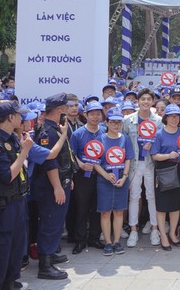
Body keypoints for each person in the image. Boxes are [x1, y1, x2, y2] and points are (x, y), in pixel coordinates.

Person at [0, 101, 33, 290]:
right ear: (10, 117)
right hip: (1, 205)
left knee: (16, 248)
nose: (21, 118)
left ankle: (10, 283)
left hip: (17, 200)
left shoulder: (12, 139)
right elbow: (8, 175)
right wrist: (25, 151)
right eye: (18, 115)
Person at [31, 93, 75, 280]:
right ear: (59, 110)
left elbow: (64, 156)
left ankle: (50, 254)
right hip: (50, 187)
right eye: (65, 108)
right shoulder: (48, 132)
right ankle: (45, 265)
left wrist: (67, 178)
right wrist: (57, 186)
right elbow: (49, 163)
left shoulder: (56, 128)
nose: (67, 111)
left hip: (61, 181)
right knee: (50, 222)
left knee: (56, 222)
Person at [123, 88, 162, 248]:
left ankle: (154, 228)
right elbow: (123, 142)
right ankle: (133, 229)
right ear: (138, 102)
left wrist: (151, 146)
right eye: (142, 99)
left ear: (152, 102)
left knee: (152, 196)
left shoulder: (158, 120)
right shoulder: (128, 120)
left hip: (150, 163)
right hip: (133, 165)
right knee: (134, 197)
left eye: (148, 99)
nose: (145, 102)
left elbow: (161, 142)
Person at [95, 107, 133, 256]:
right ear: (107, 123)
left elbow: (128, 159)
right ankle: (108, 243)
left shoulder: (125, 138)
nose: (116, 125)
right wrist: (105, 175)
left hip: (121, 180)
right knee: (105, 212)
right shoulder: (100, 139)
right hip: (104, 180)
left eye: (119, 122)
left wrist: (124, 176)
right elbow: (95, 162)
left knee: (118, 211)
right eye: (113, 122)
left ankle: (117, 242)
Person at [69, 101, 106, 254]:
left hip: (100, 175)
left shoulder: (104, 131)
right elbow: (72, 154)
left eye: (98, 114)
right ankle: (80, 240)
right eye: (92, 114)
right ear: (86, 115)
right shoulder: (78, 133)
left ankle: (94, 238)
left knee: (97, 208)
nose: (95, 117)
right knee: (82, 208)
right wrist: (81, 165)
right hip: (82, 176)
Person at [150, 104, 180, 250]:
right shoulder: (159, 134)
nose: (174, 119)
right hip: (163, 171)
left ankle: (173, 233)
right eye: (171, 116)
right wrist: (168, 155)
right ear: (166, 118)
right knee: (162, 206)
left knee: (175, 205)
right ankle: (163, 235)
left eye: (177, 116)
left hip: (179, 171)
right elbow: (154, 156)